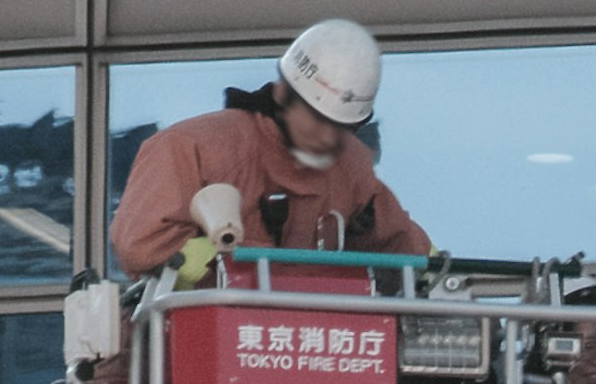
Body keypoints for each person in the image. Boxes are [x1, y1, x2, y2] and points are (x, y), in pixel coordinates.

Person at [111, 19, 433, 273]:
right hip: (194, 342)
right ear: (283, 95)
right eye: (318, 119)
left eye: (344, 128)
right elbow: (140, 244)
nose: (329, 138)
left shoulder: (350, 173)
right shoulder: (195, 149)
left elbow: (402, 246)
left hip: (308, 345)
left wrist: (437, 270)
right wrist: (208, 257)